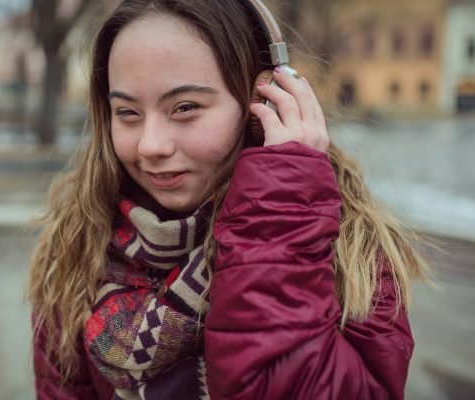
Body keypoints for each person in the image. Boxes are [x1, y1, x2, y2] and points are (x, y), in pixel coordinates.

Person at [27, 0, 432, 399]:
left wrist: (280, 218)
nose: (150, 145)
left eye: (185, 107)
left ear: (266, 105)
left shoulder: (348, 257)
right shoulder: (78, 250)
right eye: (127, 112)